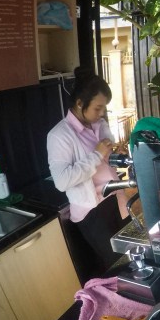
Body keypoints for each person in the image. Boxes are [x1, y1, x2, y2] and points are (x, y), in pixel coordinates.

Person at [47, 67, 129, 274]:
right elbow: (62, 181)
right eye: (97, 108)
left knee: (131, 254)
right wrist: (96, 155)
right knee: (118, 267)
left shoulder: (99, 124)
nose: (101, 114)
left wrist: (115, 153)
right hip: (92, 212)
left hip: (116, 199)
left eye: (104, 108)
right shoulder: (59, 135)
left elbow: (106, 160)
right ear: (80, 103)